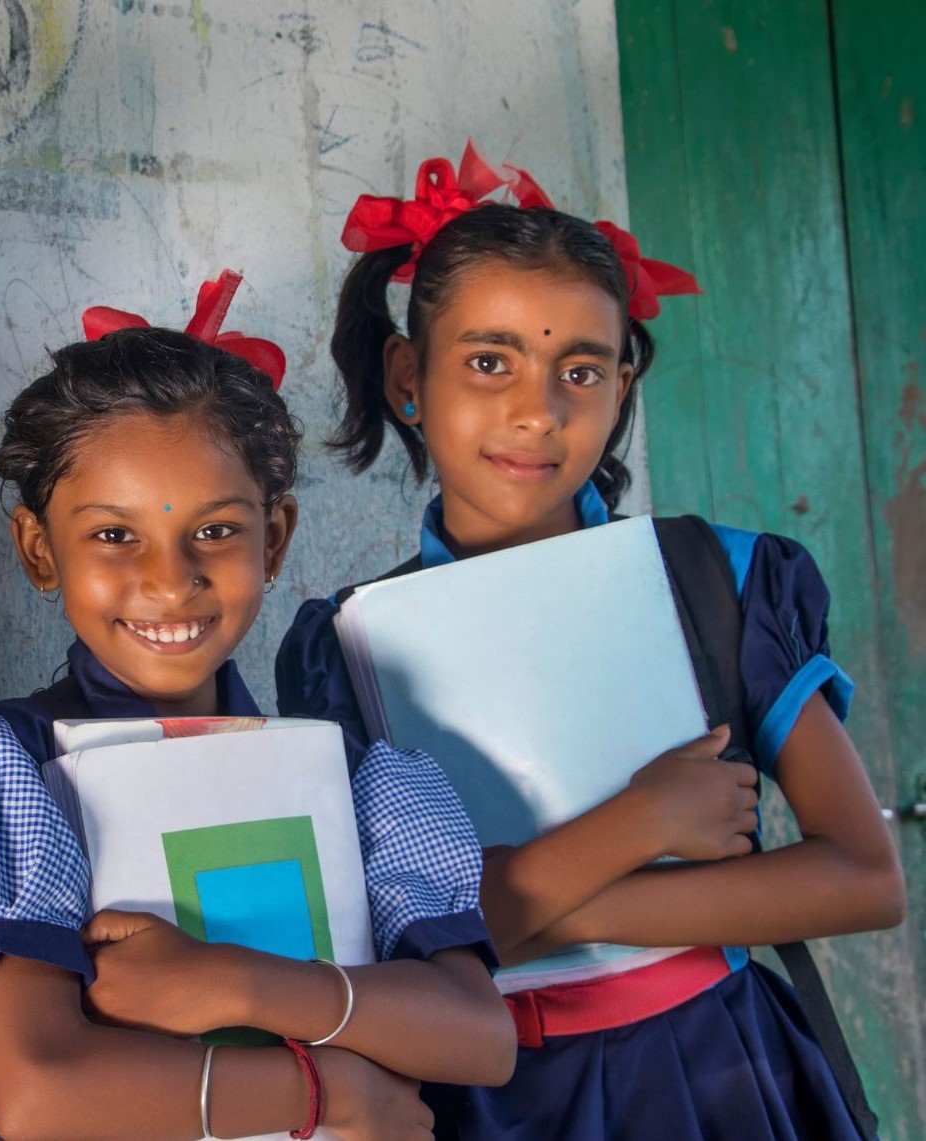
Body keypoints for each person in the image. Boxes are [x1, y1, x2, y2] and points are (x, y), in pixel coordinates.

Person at [277, 144, 905, 1140]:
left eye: (581, 368)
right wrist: (642, 823)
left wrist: (527, 906)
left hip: (723, 1072)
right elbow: (377, 945)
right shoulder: (349, 646)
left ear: (621, 386)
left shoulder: (720, 579)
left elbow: (863, 877)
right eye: (490, 361)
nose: (538, 409)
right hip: (487, 1097)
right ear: (408, 376)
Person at [0, 272, 515, 1141]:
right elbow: (42, 1091)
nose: (171, 580)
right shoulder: (13, 765)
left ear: (274, 538)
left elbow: (479, 1033)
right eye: (115, 535)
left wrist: (235, 981)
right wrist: (331, 1095)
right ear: (39, 549)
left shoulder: (350, 771)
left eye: (216, 530)